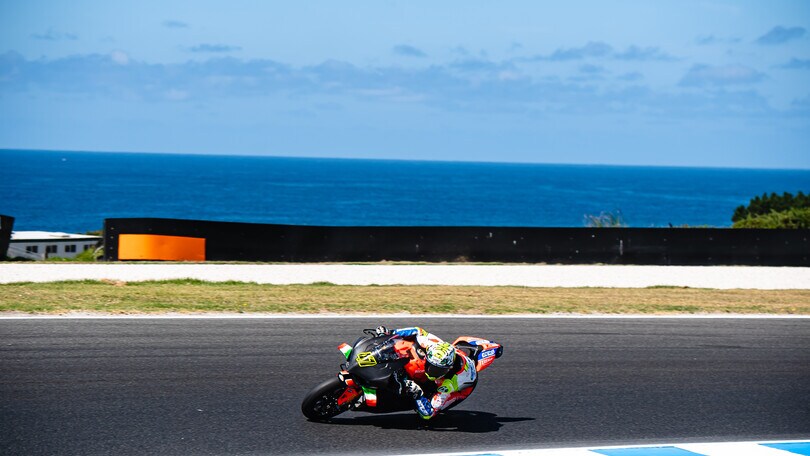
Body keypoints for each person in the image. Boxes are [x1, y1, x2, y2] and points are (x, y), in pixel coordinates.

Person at [373, 325, 478, 420]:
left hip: (460, 388)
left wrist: (418, 395)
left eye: (436, 369)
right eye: (429, 365)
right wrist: (391, 332)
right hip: (454, 356)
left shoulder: (449, 385)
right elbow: (417, 331)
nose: (430, 370)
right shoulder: (432, 344)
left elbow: (428, 413)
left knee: (429, 411)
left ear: (448, 369)